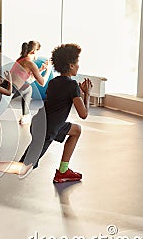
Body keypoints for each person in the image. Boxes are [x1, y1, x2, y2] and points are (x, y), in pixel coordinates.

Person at [19, 43, 93, 182]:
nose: (78, 65)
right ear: (71, 65)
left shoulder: (53, 82)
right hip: (47, 129)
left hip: (44, 123)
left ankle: (63, 171)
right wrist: (87, 95)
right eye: (77, 63)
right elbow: (83, 114)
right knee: (23, 167)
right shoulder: (72, 86)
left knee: (76, 130)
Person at [0, 40, 49, 125]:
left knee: (28, 88)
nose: (38, 55)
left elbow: (29, 79)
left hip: (5, 87)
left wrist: (41, 70)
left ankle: (25, 116)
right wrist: (48, 70)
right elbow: (42, 83)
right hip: (8, 91)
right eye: (38, 52)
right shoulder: (30, 64)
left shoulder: (21, 60)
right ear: (34, 51)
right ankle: (25, 116)